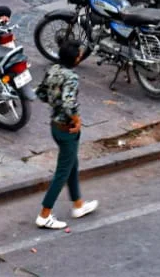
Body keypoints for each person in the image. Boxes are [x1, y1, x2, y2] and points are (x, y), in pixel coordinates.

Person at [34, 39, 97, 229]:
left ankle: (78, 204)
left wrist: (56, 104)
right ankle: (44, 214)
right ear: (75, 59)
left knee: (71, 164)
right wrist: (77, 120)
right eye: (79, 54)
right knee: (62, 172)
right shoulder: (71, 77)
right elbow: (69, 103)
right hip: (67, 128)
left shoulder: (53, 70)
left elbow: (41, 93)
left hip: (55, 125)